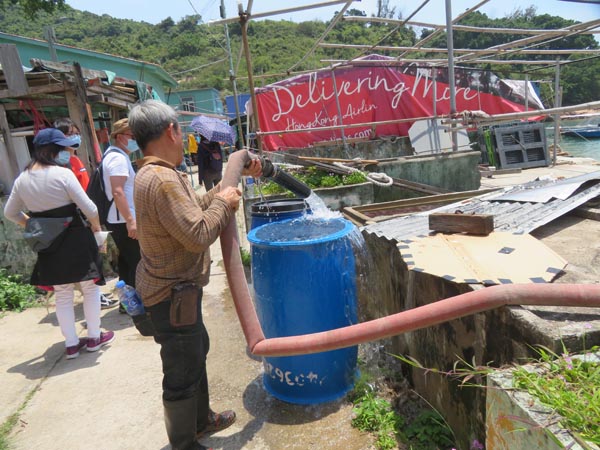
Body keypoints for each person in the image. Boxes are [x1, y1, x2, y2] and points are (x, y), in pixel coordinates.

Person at [128, 100, 261, 450]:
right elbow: (198, 234)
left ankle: (201, 421)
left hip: (177, 292)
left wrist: (223, 190)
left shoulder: (158, 173)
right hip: (171, 295)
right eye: (180, 128)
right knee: (182, 369)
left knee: (196, 349)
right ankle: (184, 443)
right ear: (171, 131)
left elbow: (192, 211)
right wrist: (225, 203)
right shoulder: (162, 179)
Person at [3, 128, 115, 359]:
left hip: (48, 243)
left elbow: (10, 213)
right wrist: (96, 227)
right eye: (63, 148)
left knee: (63, 294)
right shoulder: (62, 174)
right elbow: (90, 208)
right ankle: (94, 338)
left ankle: (71, 345)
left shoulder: (22, 179)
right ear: (53, 150)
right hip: (75, 237)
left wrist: (33, 225)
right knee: (89, 289)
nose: (67, 151)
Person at [53, 117, 119, 310]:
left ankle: (96, 294)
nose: (75, 137)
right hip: (78, 219)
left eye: (76, 133)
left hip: (89, 215)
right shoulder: (61, 163)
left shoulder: (75, 159)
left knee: (96, 256)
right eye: (70, 134)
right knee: (88, 260)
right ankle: (95, 297)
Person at [103, 118, 141, 312]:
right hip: (123, 219)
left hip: (120, 219)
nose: (135, 140)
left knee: (127, 262)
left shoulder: (114, 155)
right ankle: (136, 304)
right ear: (119, 137)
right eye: (132, 136)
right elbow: (117, 192)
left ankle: (127, 304)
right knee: (137, 262)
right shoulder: (117, 159)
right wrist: (130, 220)